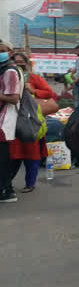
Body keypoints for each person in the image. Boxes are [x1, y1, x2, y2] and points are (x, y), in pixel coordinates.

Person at [9, 53, 54, 194]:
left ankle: (30, 183)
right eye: (15, 62)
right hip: (10, 121)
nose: (18, 65)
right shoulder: (7, 76)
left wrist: (33, 90)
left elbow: (49, 93)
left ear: (26, 63)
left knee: (31, 154)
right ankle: (6, 184)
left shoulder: (33, 78)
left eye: (21, 62)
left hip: (29, 121)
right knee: (11, 155)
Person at [0, 40, 21, 203]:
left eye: (2, 50)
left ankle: (7, 191)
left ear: (10, 51)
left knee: (3, 158)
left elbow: (14, 98)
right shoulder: (4, 69)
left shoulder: (10, 71)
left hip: (4, 120)